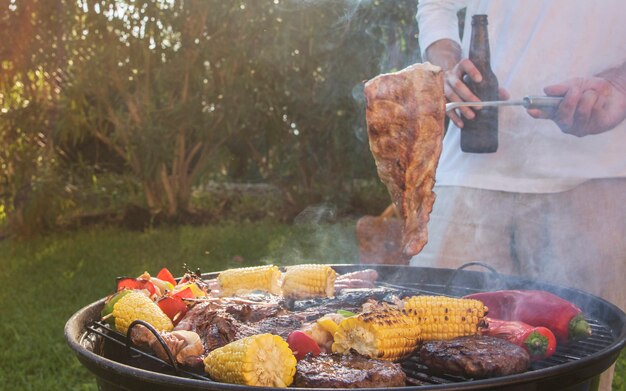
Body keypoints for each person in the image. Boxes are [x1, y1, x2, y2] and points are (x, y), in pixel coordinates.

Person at [411, 1, 626, 389]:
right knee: (421, 346)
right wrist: (443, 66)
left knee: (583, 363)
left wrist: (620, 84)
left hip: (595, 174)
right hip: (470, 174)